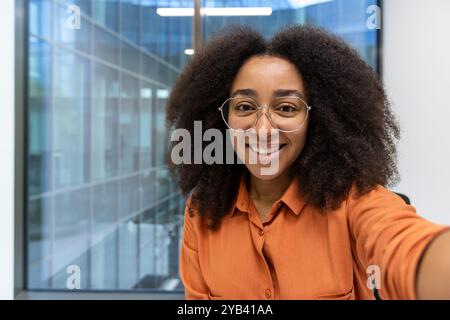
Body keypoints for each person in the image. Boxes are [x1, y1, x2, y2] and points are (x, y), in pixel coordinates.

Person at [166, 25, 450, 300]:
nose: (263, 130)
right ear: (220, 118)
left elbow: (404, 247)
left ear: (318, 119)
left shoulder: (354, 202)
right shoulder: (202, 211)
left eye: (286, 108)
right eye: (244, 107)